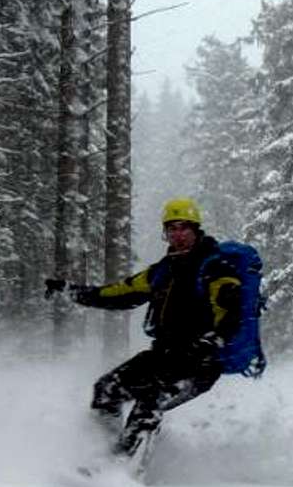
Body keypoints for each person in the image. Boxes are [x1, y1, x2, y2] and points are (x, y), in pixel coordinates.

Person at [46, 197, 241, 460]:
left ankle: (123, 468)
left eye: (184, 227)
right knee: (107, 389)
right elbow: (116, 294)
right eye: (172, 228)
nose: (178, 234)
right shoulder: (162, 271)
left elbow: (232, 314)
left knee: (151, 400)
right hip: (162, 357)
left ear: (196, 230)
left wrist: (212, 341)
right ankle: (103, 453)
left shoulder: (215, 268)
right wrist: (69, 290)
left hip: (199, 364)